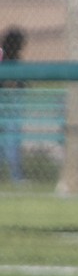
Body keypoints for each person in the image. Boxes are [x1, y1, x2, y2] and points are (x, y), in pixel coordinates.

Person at [0, 27, 27, 184]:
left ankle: (16, 175)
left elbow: (19, 84)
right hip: (6, 103)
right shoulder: (3, 56)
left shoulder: (16, 59)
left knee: (12, 138)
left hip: (12, 105)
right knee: (10, 138)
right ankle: (16, 175)